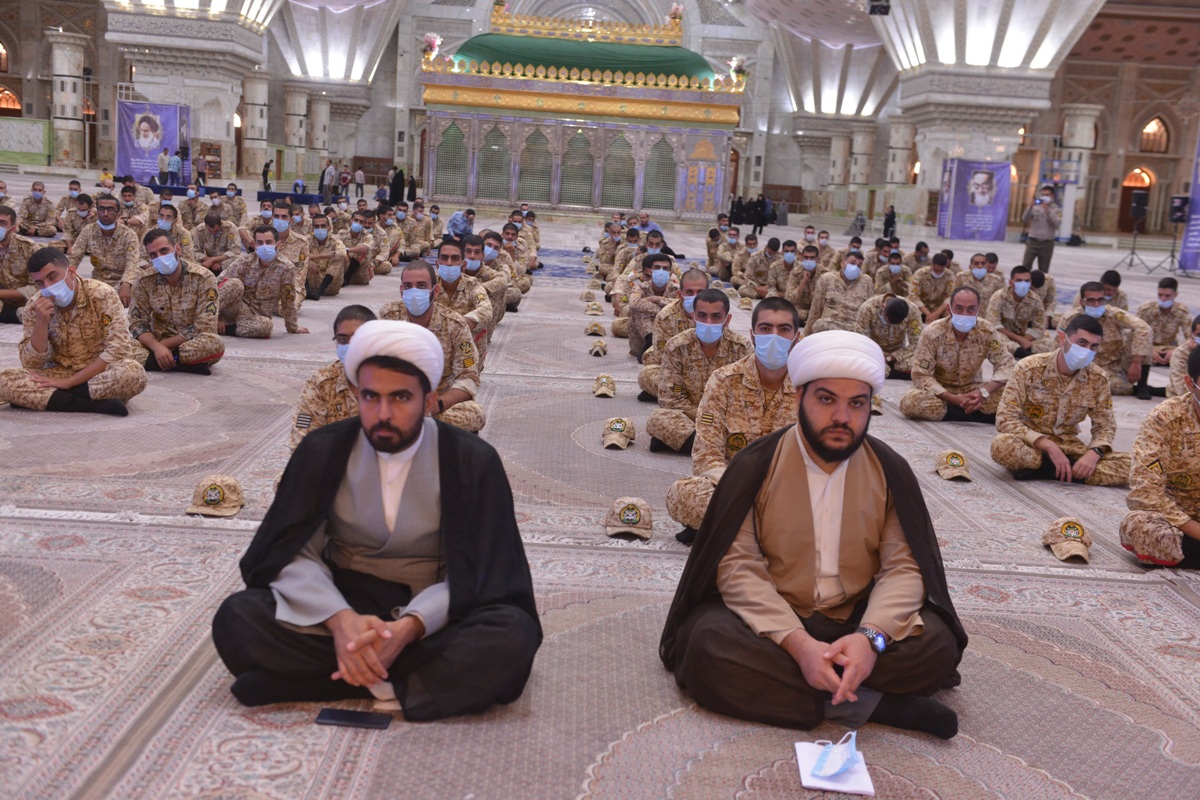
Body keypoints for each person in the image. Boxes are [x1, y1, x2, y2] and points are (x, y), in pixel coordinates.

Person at [212, 319, 541, 714]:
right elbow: (291, 552)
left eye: (401, 398)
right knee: (238, 618)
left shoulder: (470, 460)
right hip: (342, 597)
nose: (383, 413)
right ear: (356, 393)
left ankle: (331, 680)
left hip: (436, 609)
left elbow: (483, 572)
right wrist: (340, 621)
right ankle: (399, 681)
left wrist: (410, 626)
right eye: (371, 397)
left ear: (429, 399)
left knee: (511, 635)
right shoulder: (324, 450)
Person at [659, 330, 967, 738]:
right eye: (826, 400)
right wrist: (798, 644)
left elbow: (904, 568)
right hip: (775, 620)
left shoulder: (889, 470)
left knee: (938, 644)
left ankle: (815, 688)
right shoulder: (755, 466)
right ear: (799, 396)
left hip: (857, 616)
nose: (842, 417)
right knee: (707, 645)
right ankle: (871, 703)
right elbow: (738, 568)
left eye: (856, 403)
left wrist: (869, 639)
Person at [666, 297, 801, 543]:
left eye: (783, 329)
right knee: (683, 494)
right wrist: (738, 488)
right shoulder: (724, 380)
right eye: (765, 328)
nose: (774, 337)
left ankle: (733, 528)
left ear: (796, 338)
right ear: (753, 335)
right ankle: (767, 532)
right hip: (730, 486)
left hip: (786, 491)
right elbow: (706, 453)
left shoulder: (810, 388)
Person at [0, 247, 147, 416]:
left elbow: (118, 349)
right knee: (4, 380)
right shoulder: (35, 308)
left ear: (71, 271)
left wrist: (70, 382)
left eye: (52, 277)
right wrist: (41, 323)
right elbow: (32, 364)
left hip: (99, 371)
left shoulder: (101, 295)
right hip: (59, 371)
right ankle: (92, 404)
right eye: (40, 283)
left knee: (133, 373)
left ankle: (54, 398)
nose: (48, 287)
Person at [991, 314, 1130, 486]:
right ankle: (1070, 471)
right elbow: (1005, 418)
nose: (1087, 350)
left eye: (1093, 346)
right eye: (1082, 343)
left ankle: (1046, 469)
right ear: (1063, 338)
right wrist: (1048, 446)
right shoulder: (1029, 368)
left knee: (1133, 466)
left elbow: (1105, 426)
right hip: (1032, 444)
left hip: (1069, 446)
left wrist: (1094, 454)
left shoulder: (1097, 378)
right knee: (1002, 446)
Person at [378, 258, 487, 434]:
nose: (414, 292)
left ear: (435, 291)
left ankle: (408, 427)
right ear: (401, 290)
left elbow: (468, 377)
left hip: (437, 400)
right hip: (395, 398)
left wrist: (437, 404)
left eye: (421, 286)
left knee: (474, 414)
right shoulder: (388, 317)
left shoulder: (455, 324)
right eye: (408, 286)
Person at [1120, 347, 1200, 566]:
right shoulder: (1166, 418)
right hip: (1177, 519)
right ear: (1190, 383)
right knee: (1138, 527)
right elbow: (1144, 492)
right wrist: (1194, 529)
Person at [647, 289, 750, 454]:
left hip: (726, 418)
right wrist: (705, 417)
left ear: (727, 319)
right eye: (702, 316)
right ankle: (719, 445)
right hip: (690, 415)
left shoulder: (742, 348)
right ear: (693, 316)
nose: (708, 322)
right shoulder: (677, 346)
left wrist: (717, 418)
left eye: (716, 317)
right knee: (659, 419)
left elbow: (746, 397)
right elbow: (670, 399)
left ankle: (690, 443)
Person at [900, 287, 1014, 423]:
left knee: (1014, 395)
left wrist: (984, 391)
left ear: (978, 310)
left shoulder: (987, 331)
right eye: (959, 308)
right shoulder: (933, 332)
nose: (965, 314)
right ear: (949, 310)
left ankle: (957, 412)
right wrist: (951, 398)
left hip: (974, 390)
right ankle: (975, 416)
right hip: (941, 391)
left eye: (971, 309)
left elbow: (1006, 365)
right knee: (910, 402)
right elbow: (921, 374)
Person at [130, 227, 224, 375]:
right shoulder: (143, 280)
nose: (160, 257)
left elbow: (205, 323)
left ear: (177, 249)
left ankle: (157, 361)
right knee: (119, 347)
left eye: (164, 251)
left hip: (190, 342)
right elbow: (137, 323)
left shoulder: (203, 277)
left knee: (214, 344)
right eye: (153, 255)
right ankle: (180, 363)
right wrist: (155, 346)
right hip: (157, 339)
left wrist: (163, 346)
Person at [1041, 281, 1152, 398]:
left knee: (1143, 336)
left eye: (1100, 300)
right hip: (1082, 365)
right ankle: (1143, 390)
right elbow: (1058, 345)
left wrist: (1136, 362)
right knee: (1102, 385)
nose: (1096, 304)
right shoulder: (1070, 318)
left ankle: (1142, 385)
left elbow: (1144, 328)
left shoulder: (1113, 314)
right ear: (1082, 301)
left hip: (1115, 364)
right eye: (1091, 300)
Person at [290, 305, 376, 449]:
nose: (350, 345)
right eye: (342, 339)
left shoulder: (393, 380)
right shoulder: (321, 383)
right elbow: (302, 437)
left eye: (358, 339)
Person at [216, 226, 308, 338]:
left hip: (255, 315)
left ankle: (226, 329)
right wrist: (217, 317)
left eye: (268, 242)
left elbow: (288, 300)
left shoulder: (286, 268)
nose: (264, 246)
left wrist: (293, 327)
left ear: (278, 245)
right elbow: (219, 285)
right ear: (255, 245)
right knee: (234, 283)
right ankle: (209, 320)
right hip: (234, 307)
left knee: (266, 327)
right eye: (260, 242)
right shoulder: (245, 261)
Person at [638, 268, 713, 401]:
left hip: (708, 370)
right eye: (689, 292)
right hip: (677, 370)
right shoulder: (666, 317)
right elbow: (662, 358)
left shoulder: (716, 314)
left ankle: (676, 395)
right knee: (647, 375)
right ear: (680, 294)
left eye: (700, 292)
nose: (695, 297)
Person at [68, 193, 143, 308]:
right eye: (101, 209)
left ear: (119, 213)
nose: (105, 213)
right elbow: (75, 256)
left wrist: (126, 283)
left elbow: (132, 263)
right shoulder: (88, 231)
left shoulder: (129, 234)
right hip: (98, 280)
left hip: (121, 280)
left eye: (110, 210)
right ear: (96, 211)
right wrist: (67, 276)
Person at [804, 250, 874, 335]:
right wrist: (806, 335)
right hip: (829, 325)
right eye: (852, 263)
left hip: (853, 328)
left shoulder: (866, 281)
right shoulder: (827, 279)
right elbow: (816, 309)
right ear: (843, 263)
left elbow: (869, 311)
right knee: (819, 324)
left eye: (859, 265)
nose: (855, 267)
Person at [856, 293, 923, 380]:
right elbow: (861, 341)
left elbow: (917, 343)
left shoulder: (912, 310)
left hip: (900, 353)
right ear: (883, 308)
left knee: (923, 364)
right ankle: (895, 372)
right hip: (875, 352)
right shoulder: (867, 308)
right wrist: (879, 355)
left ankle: (889, 371)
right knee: (862, 364)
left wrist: (892, 357)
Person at [985, 265, 1043, 357]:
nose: (1023, 284)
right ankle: (1023, 353)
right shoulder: (999, 297)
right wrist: (1019, 340)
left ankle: (1021, 351)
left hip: (1024, 336)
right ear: (1011, 283)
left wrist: (1024, 339)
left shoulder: (1035, 300)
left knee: (1049, 343)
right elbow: (994, 324)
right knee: (994, 339)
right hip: (1003, 335)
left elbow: (1039, 327)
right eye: (1019, 280)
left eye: (1027, 281)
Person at [1137, 277, 1191, 367]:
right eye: (1160, 295)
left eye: (1167, 296)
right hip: (1147, 346)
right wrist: (1149, 350)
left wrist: (1175, 351)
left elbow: (1191, 337)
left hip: (1169, 348)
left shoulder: (1181, 311)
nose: (1163, 299)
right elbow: (1135, 333)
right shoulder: (1146, 309)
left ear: (1175, 295)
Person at [0, 204, 39, 324]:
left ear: (13, 228)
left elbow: (37, 287)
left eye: (2, 223)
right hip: (2, 303)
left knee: (42, 313)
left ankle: (11, 315)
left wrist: (2, 294)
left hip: (26, 303)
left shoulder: (29, 247)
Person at [305, 213, 348, 300]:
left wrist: (314, 257)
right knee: (301, 260)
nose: (320, 229)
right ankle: (307, 291)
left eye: (323, 226)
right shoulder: (307, 240)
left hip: (330, 286)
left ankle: (320, 291)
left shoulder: (335, 240)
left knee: (338, 259)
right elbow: (297, 255)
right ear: (312, 228)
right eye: (317, 226)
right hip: (312, 282)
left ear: (329, 227)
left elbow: (342, 254)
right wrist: (308, 261)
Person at [1022, 185, 1062, 273]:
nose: (1044, 197)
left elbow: (1057, 223)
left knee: (1043, 270)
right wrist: (1030, 207)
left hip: (1047, 243)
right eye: (1043, 195)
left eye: (1047, 195)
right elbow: (1024, 219)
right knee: (1025, 266)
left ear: (1052, 196)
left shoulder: (1056, 209)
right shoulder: (1036, 206)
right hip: (1033, 240)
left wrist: (1048, 211)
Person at [910, 252, 954, 323]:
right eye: (936, 270)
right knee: (911, 312)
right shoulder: (920, 274)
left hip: (939, 307)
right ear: (931, 264)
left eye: (941, 271)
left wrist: (937, 313)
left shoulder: (949, 275)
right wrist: (929, 314)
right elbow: (913, 296)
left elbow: (950, 296)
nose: (938, 273)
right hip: (922, 306)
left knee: (951, 314)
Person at [1168, 315, 1200, 398]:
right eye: (1199, 335)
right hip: (1185, 398)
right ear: (1192, 335)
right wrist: (1195, 355)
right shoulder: (1181, 354)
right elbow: (1181, 390)